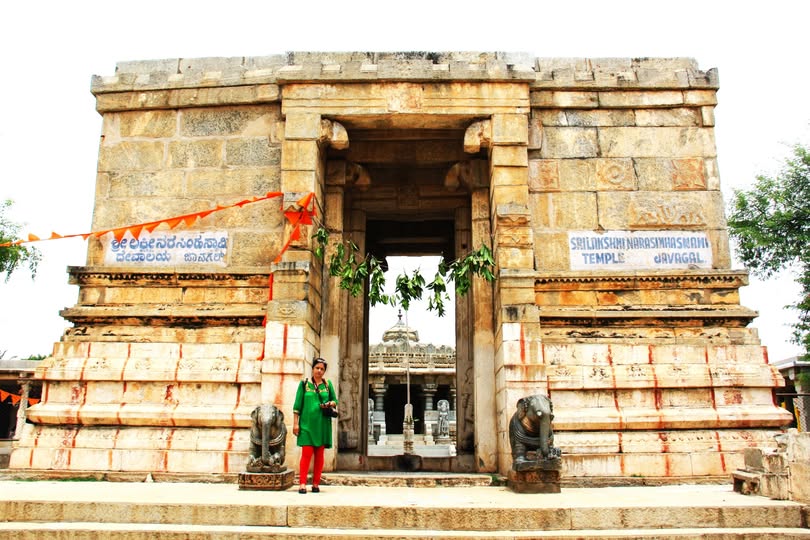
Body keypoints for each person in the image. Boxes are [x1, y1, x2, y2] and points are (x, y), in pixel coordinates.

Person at [292, 357, 337, 494]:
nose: (319, 371)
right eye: (317, 368)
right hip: (306, 424)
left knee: (319, 455)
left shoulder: (327, 385)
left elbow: (335, 400)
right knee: (306, 453)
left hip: (322, 424)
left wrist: (330, 404)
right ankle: (302, 483)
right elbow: (297, 405)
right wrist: (295, 424)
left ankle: (316, 483)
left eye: (322, 369)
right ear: (312, 369)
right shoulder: (304, 384)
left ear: (324, 371)